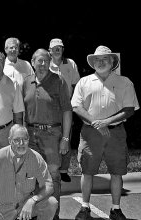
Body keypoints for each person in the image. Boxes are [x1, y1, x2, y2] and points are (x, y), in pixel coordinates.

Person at [71, 46, 139, 220]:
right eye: (97, 60)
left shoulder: (125, 82)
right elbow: (76, 107)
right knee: (87, 170)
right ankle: (85, 207)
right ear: (93, 63)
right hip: (90, 133)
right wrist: (96, 123)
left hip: (115, 133)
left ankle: (115, 209)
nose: (100, 62)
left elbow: (129, 109)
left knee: (117, 172)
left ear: (112, 62)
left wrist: (106, 122)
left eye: (105, 59)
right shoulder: (84, 82)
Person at [23, 48, 72, 220]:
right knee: (33, 175)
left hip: (52, 135)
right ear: (32, 62)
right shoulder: (26, 82)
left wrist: (65, 138)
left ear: (49, 61)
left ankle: (53, 213)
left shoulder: (59, 81)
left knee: (52, 175)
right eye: (39, 60)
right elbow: (22, 111)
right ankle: (37, 209)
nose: (42, 64)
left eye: (45, 60)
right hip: (30, 135)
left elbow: (67, 110)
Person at [49, 38, 80, 183]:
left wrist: (70, 103)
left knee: (66, 137)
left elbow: (76, 85)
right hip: (51, 107)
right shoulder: (45, 63)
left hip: (67, 106)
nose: (57, 50)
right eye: (54, 48)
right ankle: (51, 168)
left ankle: (63, 170)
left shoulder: (70, 63)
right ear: (49, 50)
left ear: (62, 49)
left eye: (59, 48)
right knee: (52, 137)